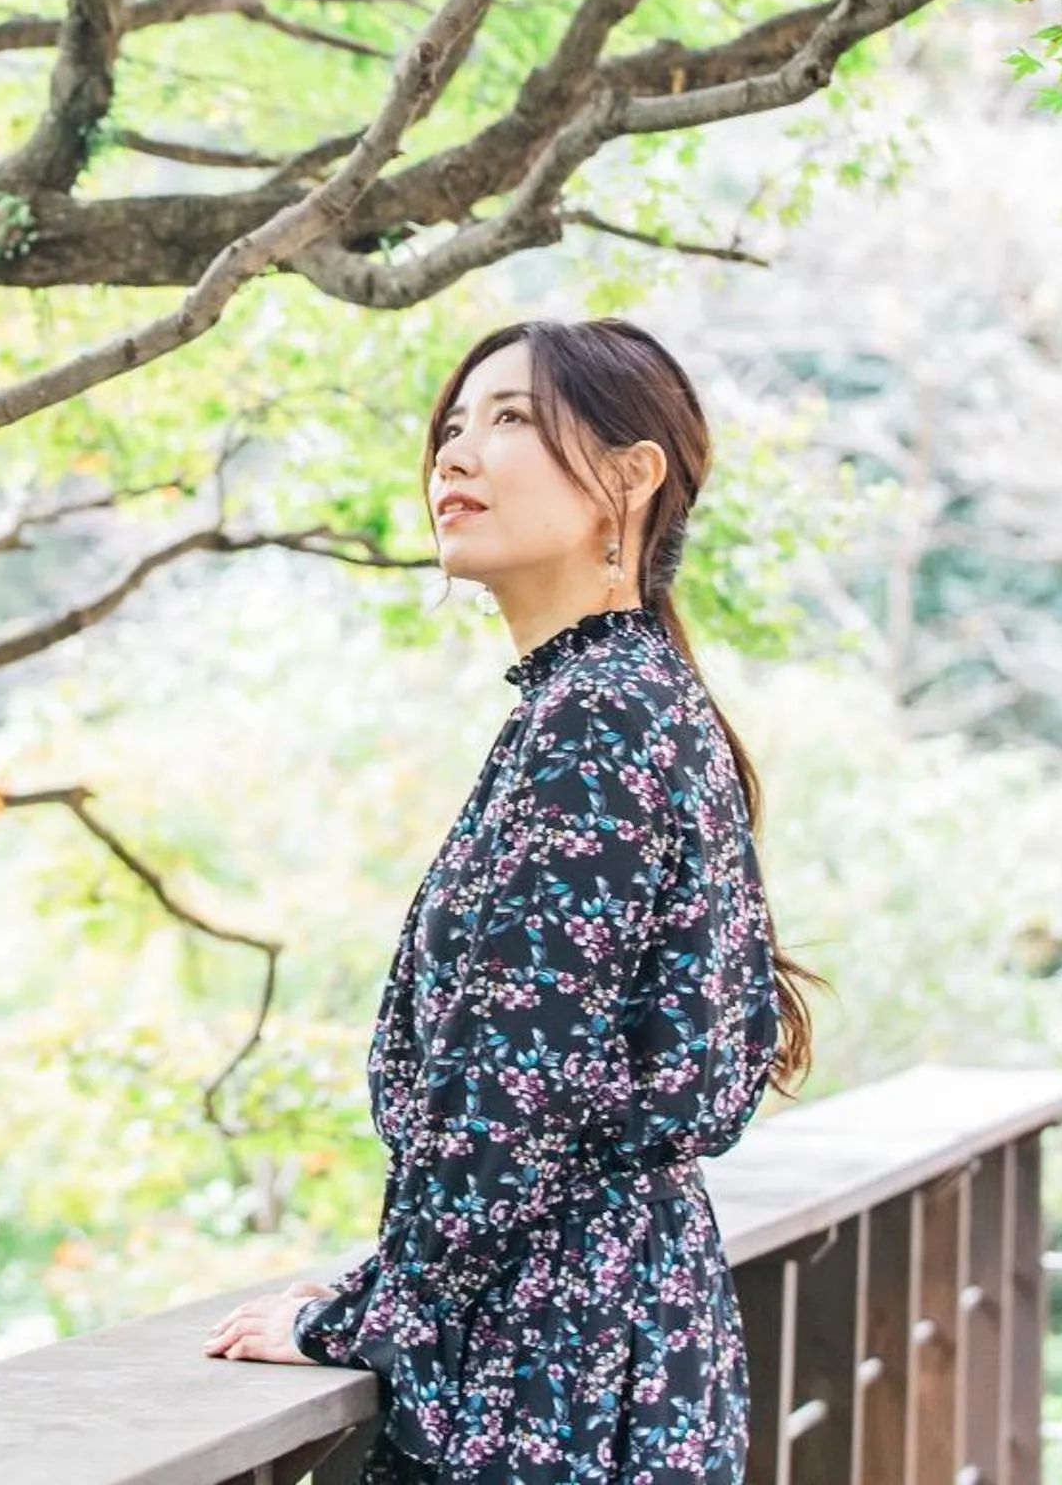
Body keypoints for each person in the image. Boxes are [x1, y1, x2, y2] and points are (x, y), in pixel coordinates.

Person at [200, 316, 816, 1483]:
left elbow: (509, 1092)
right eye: (452, 425)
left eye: (512, 420)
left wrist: (359, 1320)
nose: (454, 453)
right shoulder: (626, 698)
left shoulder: (598, 716)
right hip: (607, 1327)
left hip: (552, 1355)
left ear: (628, 482)